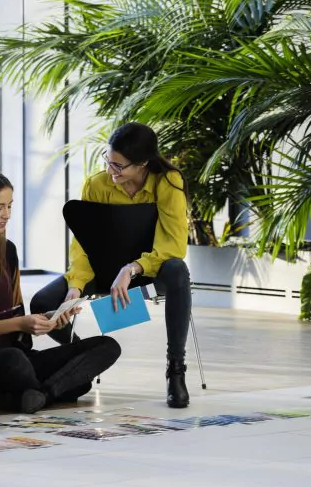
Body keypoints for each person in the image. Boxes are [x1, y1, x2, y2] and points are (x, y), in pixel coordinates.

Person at [30, 122, 192, 408]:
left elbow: (173, 244)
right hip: (103, 269)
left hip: (150, 271)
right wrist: (76, 285)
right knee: (43, 302)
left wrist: (132, 268)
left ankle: (175, 369)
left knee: (178, 270)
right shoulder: (96, 184)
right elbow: (83, 242)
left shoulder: (168, 182)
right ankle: (82, 360)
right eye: (108, 161)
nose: (110, 171)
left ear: (142, 163)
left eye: (118, 166)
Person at [0, 168, 121, 414]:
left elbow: (16, 313)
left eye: (10, 206)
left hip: (19, 355)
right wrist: (21, 323)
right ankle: (47, 390)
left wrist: (48, 320)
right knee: (27, 365)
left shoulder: (8, 251)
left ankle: (39, 394)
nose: (6, 214)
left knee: (107, 346)